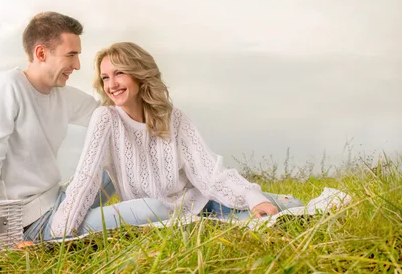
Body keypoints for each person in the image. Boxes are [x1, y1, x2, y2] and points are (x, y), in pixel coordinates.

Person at [50, 42, 304, 238]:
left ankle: (251, 211)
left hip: (203, 205)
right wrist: (57, 234)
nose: (112, 84)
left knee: (289, 206)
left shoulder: (173, 118)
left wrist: (253, 197)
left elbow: (208, 172)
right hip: (157, 216)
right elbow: (86, 178)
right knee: (261, 219)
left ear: (139, 74)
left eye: (119, 74)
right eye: (105, 77)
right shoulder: (105, 118)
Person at [0, 12, 112, 241]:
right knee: (146, 211)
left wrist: (120, 84)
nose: (77, 65)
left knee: (120, 152)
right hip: (28, 222)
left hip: (59, 202)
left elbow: (109, 118)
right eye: (71, 55)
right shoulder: (5, 87)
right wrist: (2, 238)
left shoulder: (63, 96)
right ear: (41, 53)